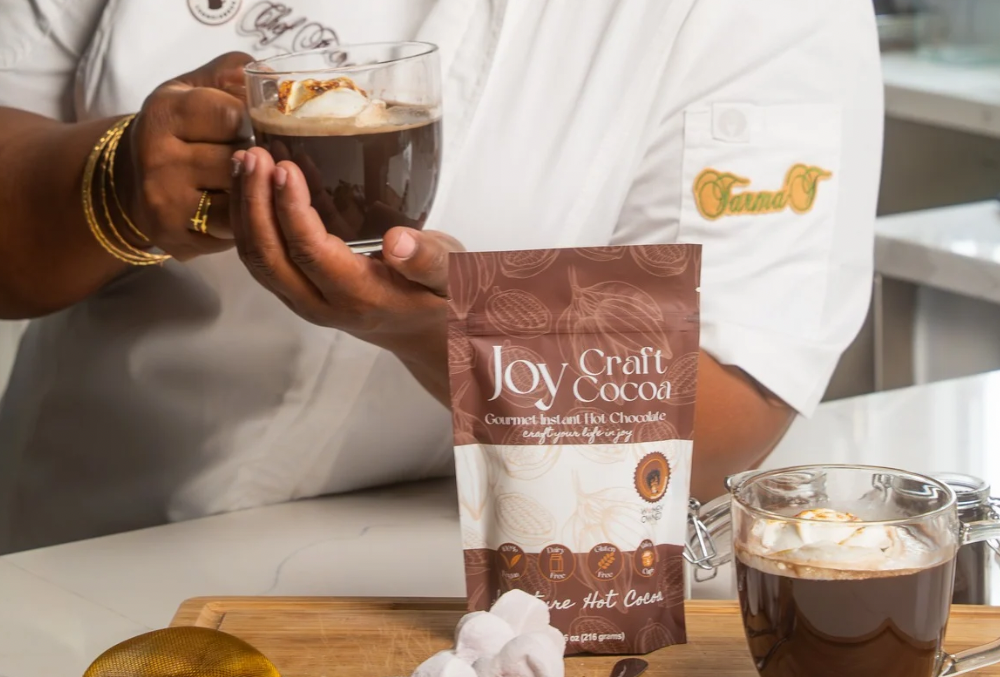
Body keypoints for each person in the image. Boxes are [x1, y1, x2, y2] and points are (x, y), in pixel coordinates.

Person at [0, 0, 882, 554]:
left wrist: (446, 332)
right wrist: (111, 186)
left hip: (426, 606)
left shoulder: (767, 16)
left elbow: (718, 418)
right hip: (67, 559)